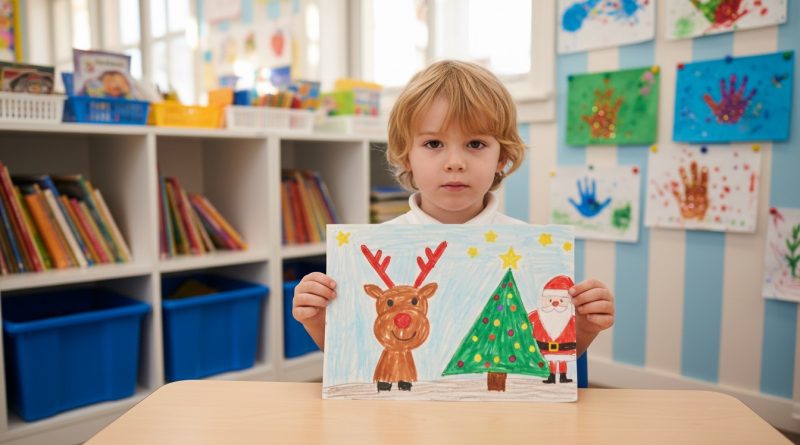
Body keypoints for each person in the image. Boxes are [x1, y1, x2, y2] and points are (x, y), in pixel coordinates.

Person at [292, 60, 614, 358]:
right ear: (407, 156)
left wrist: (586, 326)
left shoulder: (530, 250)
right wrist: (317, 320)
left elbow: (552, 356)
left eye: (475, 144)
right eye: (433, 144)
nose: (455, 163)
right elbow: (355, 355)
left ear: (501, 157)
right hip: (405, 416)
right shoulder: (374, 252)